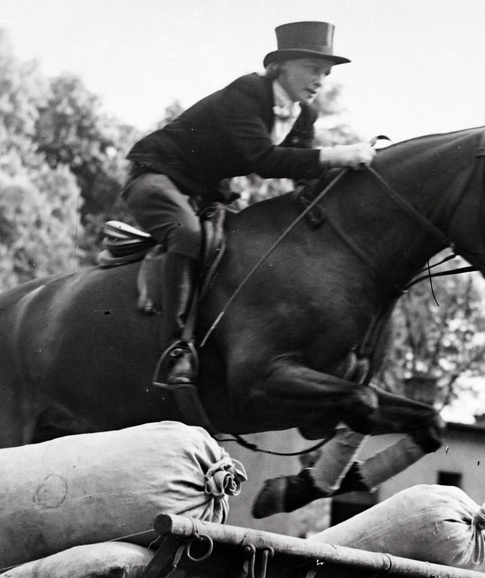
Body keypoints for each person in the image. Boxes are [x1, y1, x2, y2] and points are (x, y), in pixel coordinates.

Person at [121, 21, 377, 384]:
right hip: (155, 178)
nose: (320, 80)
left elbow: (305, 177)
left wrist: (360, 180)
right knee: (189, 236)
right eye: (312, 69)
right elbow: (266, 161)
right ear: (282, 65)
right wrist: (339, 154)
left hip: (202, 194)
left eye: (326, 73)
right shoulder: (246, 93)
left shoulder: (304, 115)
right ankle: (175, 348)